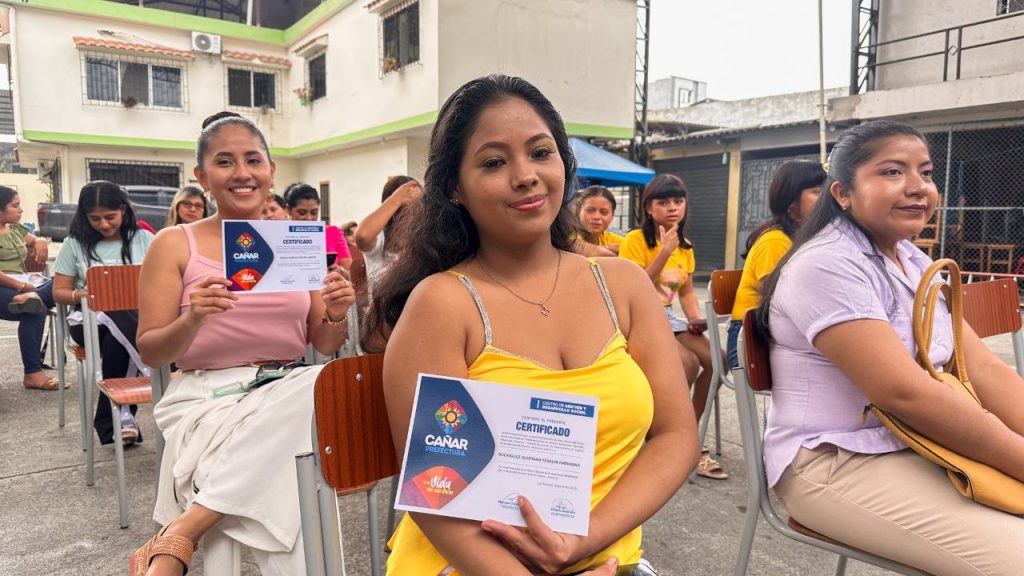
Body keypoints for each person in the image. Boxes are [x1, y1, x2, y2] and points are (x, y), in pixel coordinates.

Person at [365, 74, 697, 576]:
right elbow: (435, 490)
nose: (525, 176)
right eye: (493, 162)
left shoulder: (624, 285)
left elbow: (676, 436)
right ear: (454, 187)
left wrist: (581, 539)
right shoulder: (441, 304)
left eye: (541, 153)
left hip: (606, 559)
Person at [756, 120, 1024, 575]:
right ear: (843, 194)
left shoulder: (913, 259)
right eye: (893, 172)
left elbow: (984, 369)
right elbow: (904, 394)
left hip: (917, 444)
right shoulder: (827, 265)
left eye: (927, 172)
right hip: (834, 461)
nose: (918, 187)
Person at [131, 113, 355, 576]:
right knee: (315, 401)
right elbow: (152, 351)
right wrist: (193, 317)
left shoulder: (295, 242)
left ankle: (186, 528)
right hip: (205, 395)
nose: (242, 173)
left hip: (285, 390)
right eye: (224, 162)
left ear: (271, 171)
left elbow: (323, 341)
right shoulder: (174, 243)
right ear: (202, 177)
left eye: (253, 160)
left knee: (319, 383)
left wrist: (337, 311)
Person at [618, 174, 728, 480]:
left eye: (678, 201)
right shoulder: (634, 241)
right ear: (648, 207)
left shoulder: (686, 246)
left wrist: (694, 318)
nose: (672, 208)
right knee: (687, 363)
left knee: (718, 360)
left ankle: (688, 433)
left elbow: (687, 291)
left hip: (668, 316)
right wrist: (664, 250)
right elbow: (634, 287)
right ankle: (668, 438)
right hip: (638, 316)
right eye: (663, 202)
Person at [52, 181, 154, 444]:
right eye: (95, 219)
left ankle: (119, 420)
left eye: (110, 217)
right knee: (114, 312)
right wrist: (87, 295)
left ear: (124, 210)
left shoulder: (144, 239)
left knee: (115, 341)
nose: (104, 224)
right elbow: (59, 291)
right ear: (84, 217)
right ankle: (160, 371)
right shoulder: (74, 244)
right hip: (87, 320)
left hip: (131, 322)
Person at [726, 160, 824, 368]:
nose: (826, 198)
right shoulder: (775, 241)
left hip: (773, 333)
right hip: (750, 341)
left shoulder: (801, 240)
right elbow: (781, 301)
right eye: (817, 192)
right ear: (791, 203)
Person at [0, 186, 57, 390]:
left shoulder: (15, 229)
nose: (20, 210)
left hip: (24, 286)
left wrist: (40, 241)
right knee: (34, 308)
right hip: (5, 287)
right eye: (15, 206)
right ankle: (32, 374)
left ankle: (33, 297)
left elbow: (34, 239)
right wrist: (22, 286)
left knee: (61, 283)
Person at [353, 175, 421, 294]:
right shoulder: (380, 239)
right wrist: (397, 198)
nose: (417, 211)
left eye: (420, 203)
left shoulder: (425, 240)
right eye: (408, 205)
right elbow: (362, 236)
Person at [283, 183, 352, 271]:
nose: (309, 218)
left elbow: (349, 272)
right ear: (288, 210)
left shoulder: (333, 233)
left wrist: (339, 271)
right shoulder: (281, 235)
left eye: (314, 213)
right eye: (302, 213)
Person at [576, 185, 623, 254]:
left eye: (604, 212)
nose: (596, 217)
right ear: (578, 211)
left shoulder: (615, 240)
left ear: (612, 215)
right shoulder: (567, 239)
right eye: (590, 210)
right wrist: (610, 249)